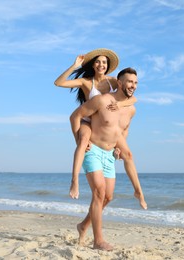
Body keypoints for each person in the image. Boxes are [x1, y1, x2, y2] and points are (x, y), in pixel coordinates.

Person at [54, 49, 147, 209]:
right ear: (93, 65)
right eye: (98, 61)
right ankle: (74, 181)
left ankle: (138, 192)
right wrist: (74, 66)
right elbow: (59, 83)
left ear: (108, 65)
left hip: (106, 125)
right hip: (87, 122)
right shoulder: (86, 82)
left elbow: (134, 98)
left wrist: (119, 104)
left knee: (128, 154)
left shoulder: (113, 81)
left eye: (104, 62)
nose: (101, 64)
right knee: (83, 141)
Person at [70, 67, 141, 251]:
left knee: (108, 197)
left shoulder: (131, 110)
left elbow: (123, 130)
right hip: (92, 150)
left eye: (135, 82)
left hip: (109, 155)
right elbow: (75, 115)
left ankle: (83, 225)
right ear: (119, 83)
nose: (133, 85)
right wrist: (79, 140)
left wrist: (119, 146)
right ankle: (98, 241)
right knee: (99, 192)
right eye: (129, 81)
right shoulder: (101, 100)